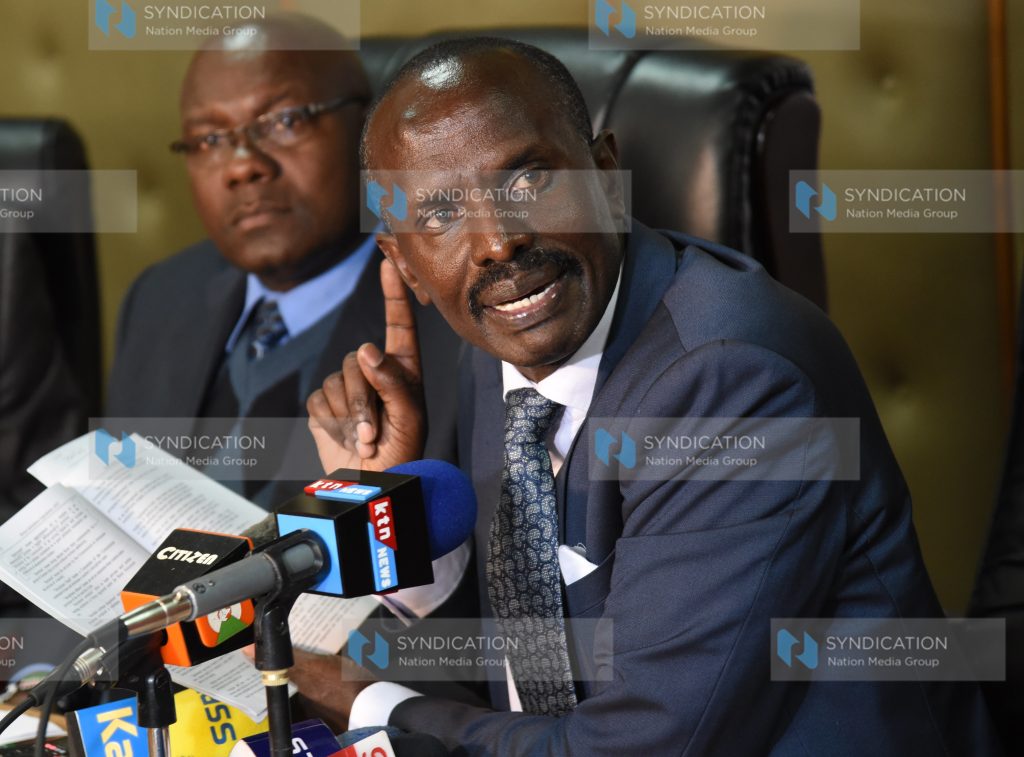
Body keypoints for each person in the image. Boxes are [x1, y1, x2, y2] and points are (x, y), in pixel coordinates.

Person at [300, 38, 1000, 754]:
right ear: (406, 265)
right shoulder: (503, 337)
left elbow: (643, 742)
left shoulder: (735, 382)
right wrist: (392, 513)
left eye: (527, 180)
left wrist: (371, 704)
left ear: (607, 176)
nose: (498, 243)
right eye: (440, 215)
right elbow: (524, 671)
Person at [106, 14, 461, 508]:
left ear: (368, 129)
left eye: (285, 121)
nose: (242, 166)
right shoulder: (161, 297)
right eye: (210, 140)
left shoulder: (454, 313)